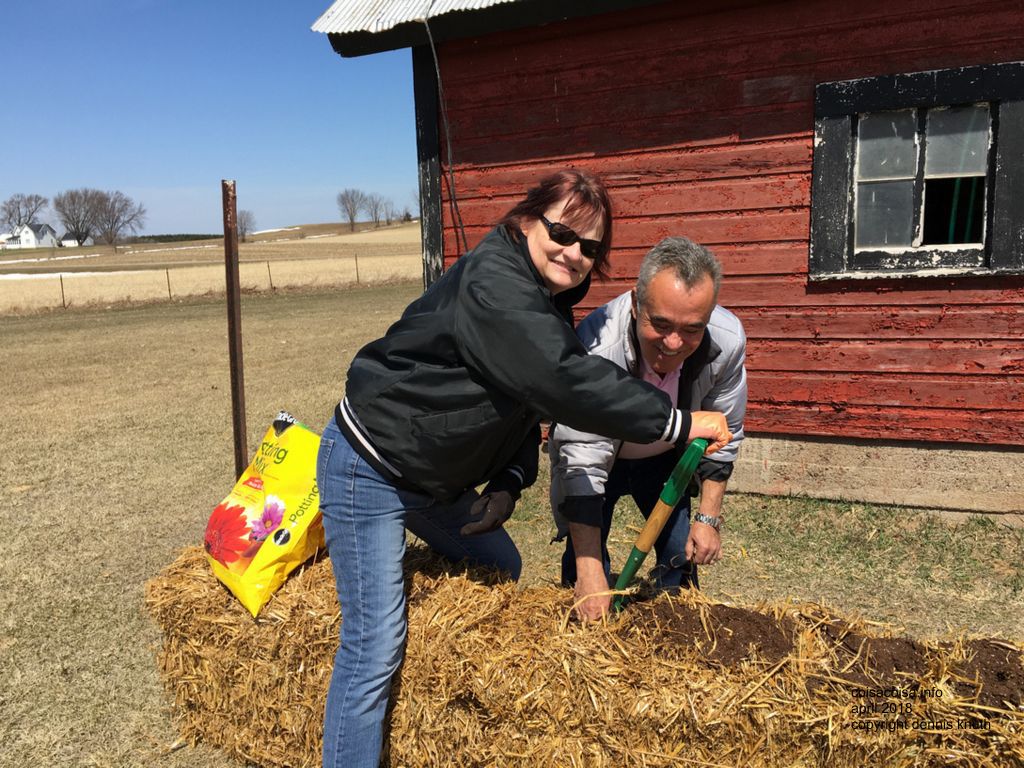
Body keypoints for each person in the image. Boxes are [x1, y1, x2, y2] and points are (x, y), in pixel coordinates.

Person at [316, 171, 732, 768]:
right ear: (523, 220)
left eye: (591, 247)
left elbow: (519, 403)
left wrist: (510, 483)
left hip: (429, 481)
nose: (575, 253)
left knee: (501, 563)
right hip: (372, 467)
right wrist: (676, 423)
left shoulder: (546, 307)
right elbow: (555, 380)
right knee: (374, 645)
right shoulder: (496, 282)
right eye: (563, 233)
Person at [549, 236, 747, 622]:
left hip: (662, 464)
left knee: (678, 557)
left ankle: (673, 631)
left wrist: (707, 519)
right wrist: (592, 573)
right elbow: (582, 458)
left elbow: (725, 432)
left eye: (692, 329)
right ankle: (578, 624)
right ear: (637, 304)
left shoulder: (726, 341)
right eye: (660, 324)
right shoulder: (597, 346)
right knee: (585, 564)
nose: (673, 343)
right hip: (598, 464)